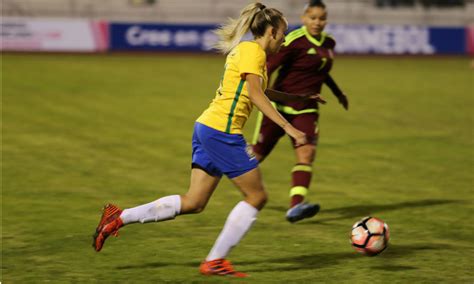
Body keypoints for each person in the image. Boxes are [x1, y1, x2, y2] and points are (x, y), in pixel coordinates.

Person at [92, 2, 306, 278]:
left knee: (194, 201)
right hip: (222, 133)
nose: (284, 40)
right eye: (283, 33)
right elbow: (255, 95)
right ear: (273, 31)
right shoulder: (253, 52)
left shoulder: (249, 52)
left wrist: (296, 99)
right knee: (257, 196)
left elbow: (260, 90)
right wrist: (291, 128)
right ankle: (215, 261)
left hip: (207, 127)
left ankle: (119, 217)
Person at [252, 0, 348, 223]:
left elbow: (321, 72)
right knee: (256, 155)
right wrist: (259, 90)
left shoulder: (329, 43)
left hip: (307, 108)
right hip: (279, 108)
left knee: (306, 153)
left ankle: (295, 207)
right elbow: (269, 66)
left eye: (321, 18)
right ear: (304, 18)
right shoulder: (294, 40)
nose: (317, 22)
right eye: (313, 17)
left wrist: (337, 92)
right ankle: (215, 171)